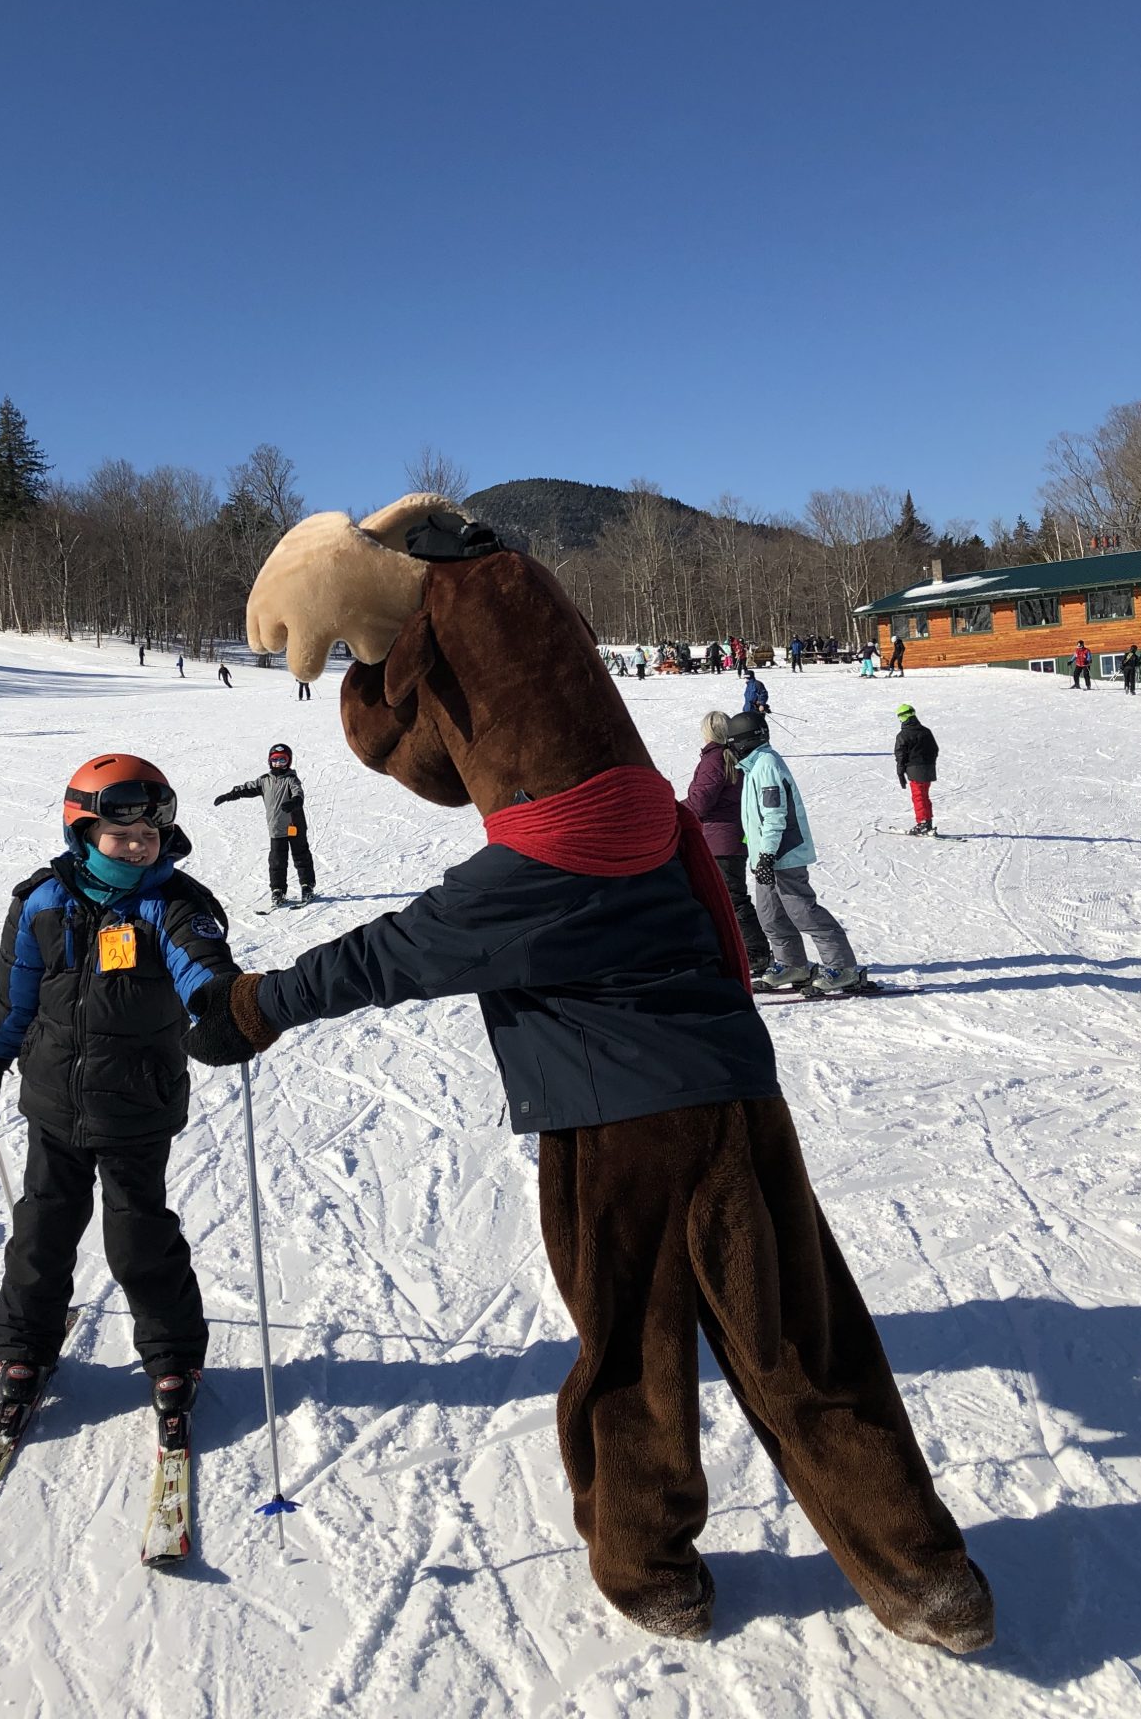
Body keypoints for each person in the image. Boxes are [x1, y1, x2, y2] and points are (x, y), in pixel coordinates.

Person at [184, 494, 993, 1657]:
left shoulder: (541, 864)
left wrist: (252, 1003)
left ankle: (648, 1565)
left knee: (632, 1355)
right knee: (805, 1341)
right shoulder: (648, 816)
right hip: (739, 1106)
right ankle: (928, 1574)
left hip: (614, 1133)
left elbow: (391, 953)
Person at [0, 754, 240, 1421]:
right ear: (81, 831)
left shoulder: (173, 906)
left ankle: (172, 1355)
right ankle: (25, 1347)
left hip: (137, 1106)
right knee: (40, 1233)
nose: (139, 847)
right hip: (53, 1102)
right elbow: (15, 998)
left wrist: (224, 1006)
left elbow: (201, 965)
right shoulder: (42, 903)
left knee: (137, 1240)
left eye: (150, 836)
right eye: (123, 836)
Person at [730, 712, 865, 992]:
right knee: (770, 916)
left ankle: (842, 967)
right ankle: (792, 964)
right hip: (766, 858)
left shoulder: (766, 764)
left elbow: (775, 814)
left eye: (732, 743)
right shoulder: (753, 767)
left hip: (783, 855)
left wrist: (767, 854)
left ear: (743, 741)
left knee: (803, 912)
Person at [686, 712, 771, 974]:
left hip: (719, 839)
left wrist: (672, 811)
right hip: (729, 837)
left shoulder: (715, 758)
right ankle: (731, 950)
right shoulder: (735, 756)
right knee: (721, 897)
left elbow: (701, 802)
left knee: (731, 897)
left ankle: (756, 953)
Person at [214, 743, 316, 907]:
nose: (278, 763)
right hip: (276, 828)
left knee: (301, 856)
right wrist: (229, 795)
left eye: (282, 760)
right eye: (275, 760)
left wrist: (294, 802)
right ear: (270, 761)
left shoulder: (291, 779)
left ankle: (307, 886)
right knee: (277, 861)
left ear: (288, 762)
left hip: (294, 826)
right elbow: (246, 789)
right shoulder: (264, 781)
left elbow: (298, 793)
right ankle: (278, 890)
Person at [893, 703, 940, 835]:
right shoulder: (926, 731)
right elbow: (934, 749)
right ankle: (927, 823)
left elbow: (900, 755)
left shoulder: (903, 735)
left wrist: (900, 772)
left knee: (918, 797)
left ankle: (923, 823)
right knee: (924, 796)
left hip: (915, 770)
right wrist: (929, 763)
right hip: (928, 769)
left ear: (903, 717)